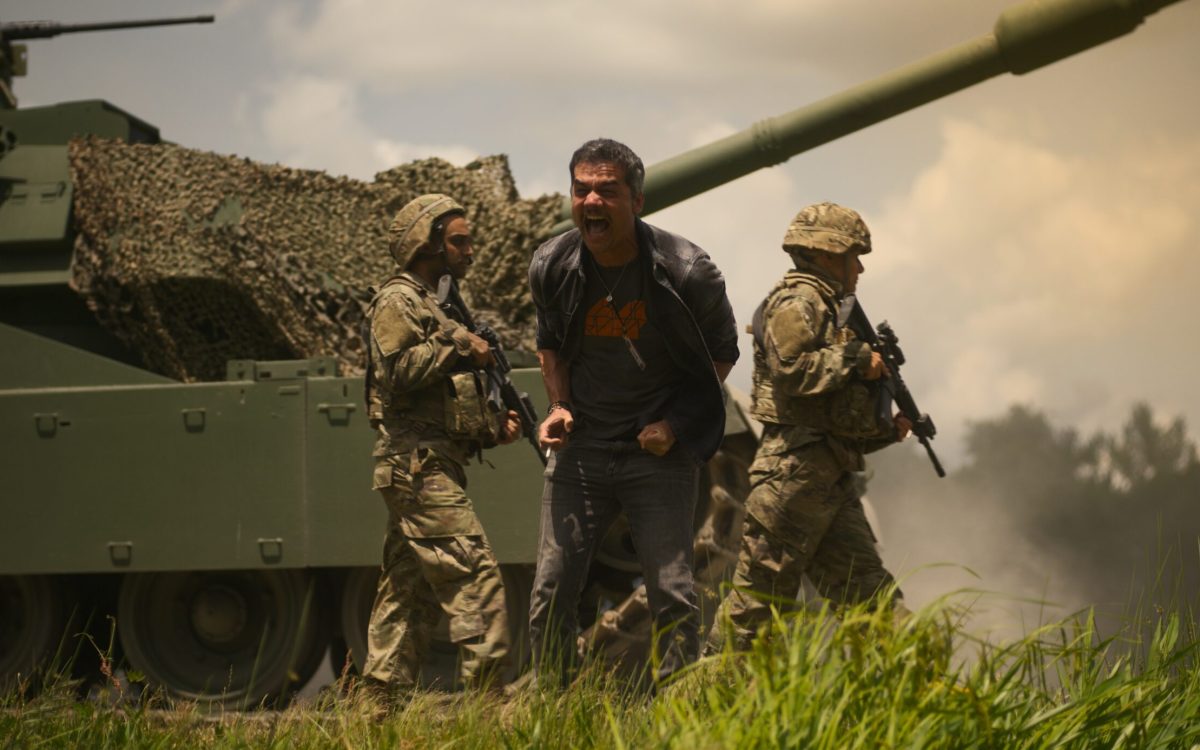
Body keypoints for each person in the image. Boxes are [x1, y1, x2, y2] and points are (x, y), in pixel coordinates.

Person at [526, 138, 739, 685]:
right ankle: (552, 706)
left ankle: (675, 706)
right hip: (583, 449)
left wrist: (676, 425)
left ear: (637, 201)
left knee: (672, 589)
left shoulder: (688, 270)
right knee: (552, 586)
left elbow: (723, 352)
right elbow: (549, 341)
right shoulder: (553, 263)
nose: (591, 201)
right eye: (581, 189)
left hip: (657, 454)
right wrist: (559, 406)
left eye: (608, 191)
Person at [705, 202, 911, 653]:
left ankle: (924, 697)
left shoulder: (828, 307)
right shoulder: (799, 301)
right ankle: (696, 708)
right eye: (853, 256)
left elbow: (827, 416)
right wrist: (857, 360)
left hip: (824, 479)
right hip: (791, 479)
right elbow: (793, 373)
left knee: (871, 600)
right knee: (755, 607)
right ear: (827, 253)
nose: (858, 269)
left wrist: (883, 430)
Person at [362, 193, 523, 699]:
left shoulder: (434, 304)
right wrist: (459, 345)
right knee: (476, 580)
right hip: (418, 467)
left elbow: (436, 402)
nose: (470, 251)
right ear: (427, 243)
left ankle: (377, 718)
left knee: (407, 599)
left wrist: (491, 429)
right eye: (459, 240)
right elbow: (395, 373)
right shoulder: (398, 300)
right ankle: (486, 712)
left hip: (430, 463)